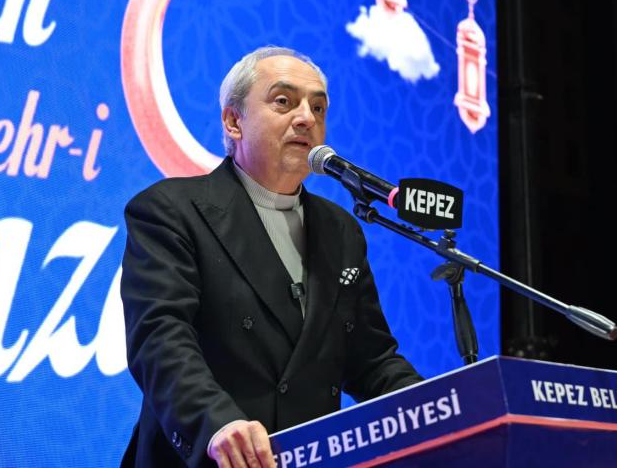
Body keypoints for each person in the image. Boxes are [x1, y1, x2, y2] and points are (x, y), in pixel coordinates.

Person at [120, 46, 422, 468]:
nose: (307, 118)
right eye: (284, 101)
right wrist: (217, 423)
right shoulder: (172, 211)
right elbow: (160, 339)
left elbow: (371, 361)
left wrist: (442, 406)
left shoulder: (340, 230)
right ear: (233, 121)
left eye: (318, 107)